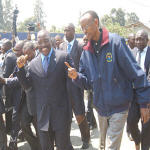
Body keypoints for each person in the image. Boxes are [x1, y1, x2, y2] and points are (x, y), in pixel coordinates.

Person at [66, 10, 150, 150]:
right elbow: (87, 83)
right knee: (103, 146)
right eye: (81, 28)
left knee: (111, 147)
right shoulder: (86, 52)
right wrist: (77, 77)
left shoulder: (115, 42)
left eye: (85, 26)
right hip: (100, 108)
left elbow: (136, 73)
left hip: (119, 107)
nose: (83, 30)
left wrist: (144, 103)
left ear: (96, 22)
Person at [16, 30, 74, 150]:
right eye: (40, 42)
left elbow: (72, 84)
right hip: (42, 117)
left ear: (50, 40)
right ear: (37, 44)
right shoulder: (32, 64)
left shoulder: (63, 57)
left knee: (64, 146)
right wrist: (20, 69)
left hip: (61, 114)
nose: (43, 45)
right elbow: (27, 86)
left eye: (46, 41)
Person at [60, 23, 90, 149]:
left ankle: (86, 139)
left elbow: (85, 67)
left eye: (68, 30)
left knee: (80, 115)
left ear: (73, 31)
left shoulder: (81, 46)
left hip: (76, 87)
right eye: (64, 30)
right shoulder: (61, 45)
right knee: (65, 116)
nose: (66, 33)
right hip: (63, 88)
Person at [127, 30, 150, 150]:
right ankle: (137, 141)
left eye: (141, 39)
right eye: (137, 39)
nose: (139, 41)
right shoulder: (133, 52)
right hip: (134, 94)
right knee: (131, 122)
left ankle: (144, 147)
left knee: (146, 125)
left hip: (147, 95)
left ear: (147, 40)